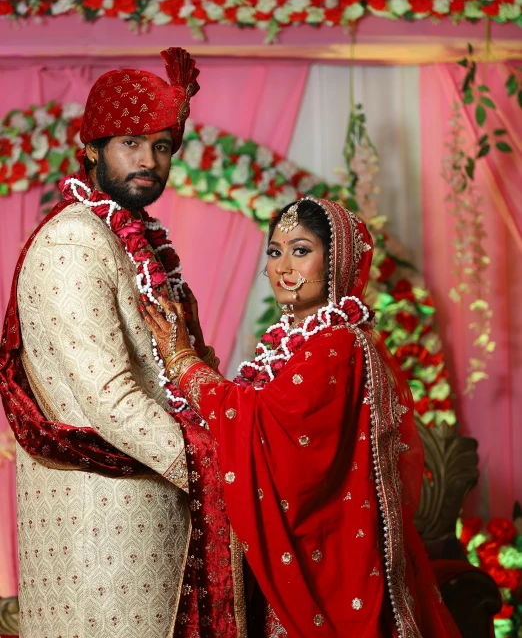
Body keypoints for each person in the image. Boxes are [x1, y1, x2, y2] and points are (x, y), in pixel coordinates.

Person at [0, 48, 244, 638]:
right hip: (99, 528)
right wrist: (226, 468)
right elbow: (110, 398)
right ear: (92, 148)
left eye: (162, 146)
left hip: (143, 518)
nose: (149, 160)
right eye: (131, 142)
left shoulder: (128, 237)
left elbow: (179, 369)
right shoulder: (75, 244)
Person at [144, 198, 462, 638]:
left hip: (331, 557)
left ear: (337, 262)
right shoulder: (299, 342)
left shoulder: (337, 343)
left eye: (300, 250)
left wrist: (183, 364)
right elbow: (255, 412)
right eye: (275, 252)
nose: (282, 267)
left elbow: (270, 425)